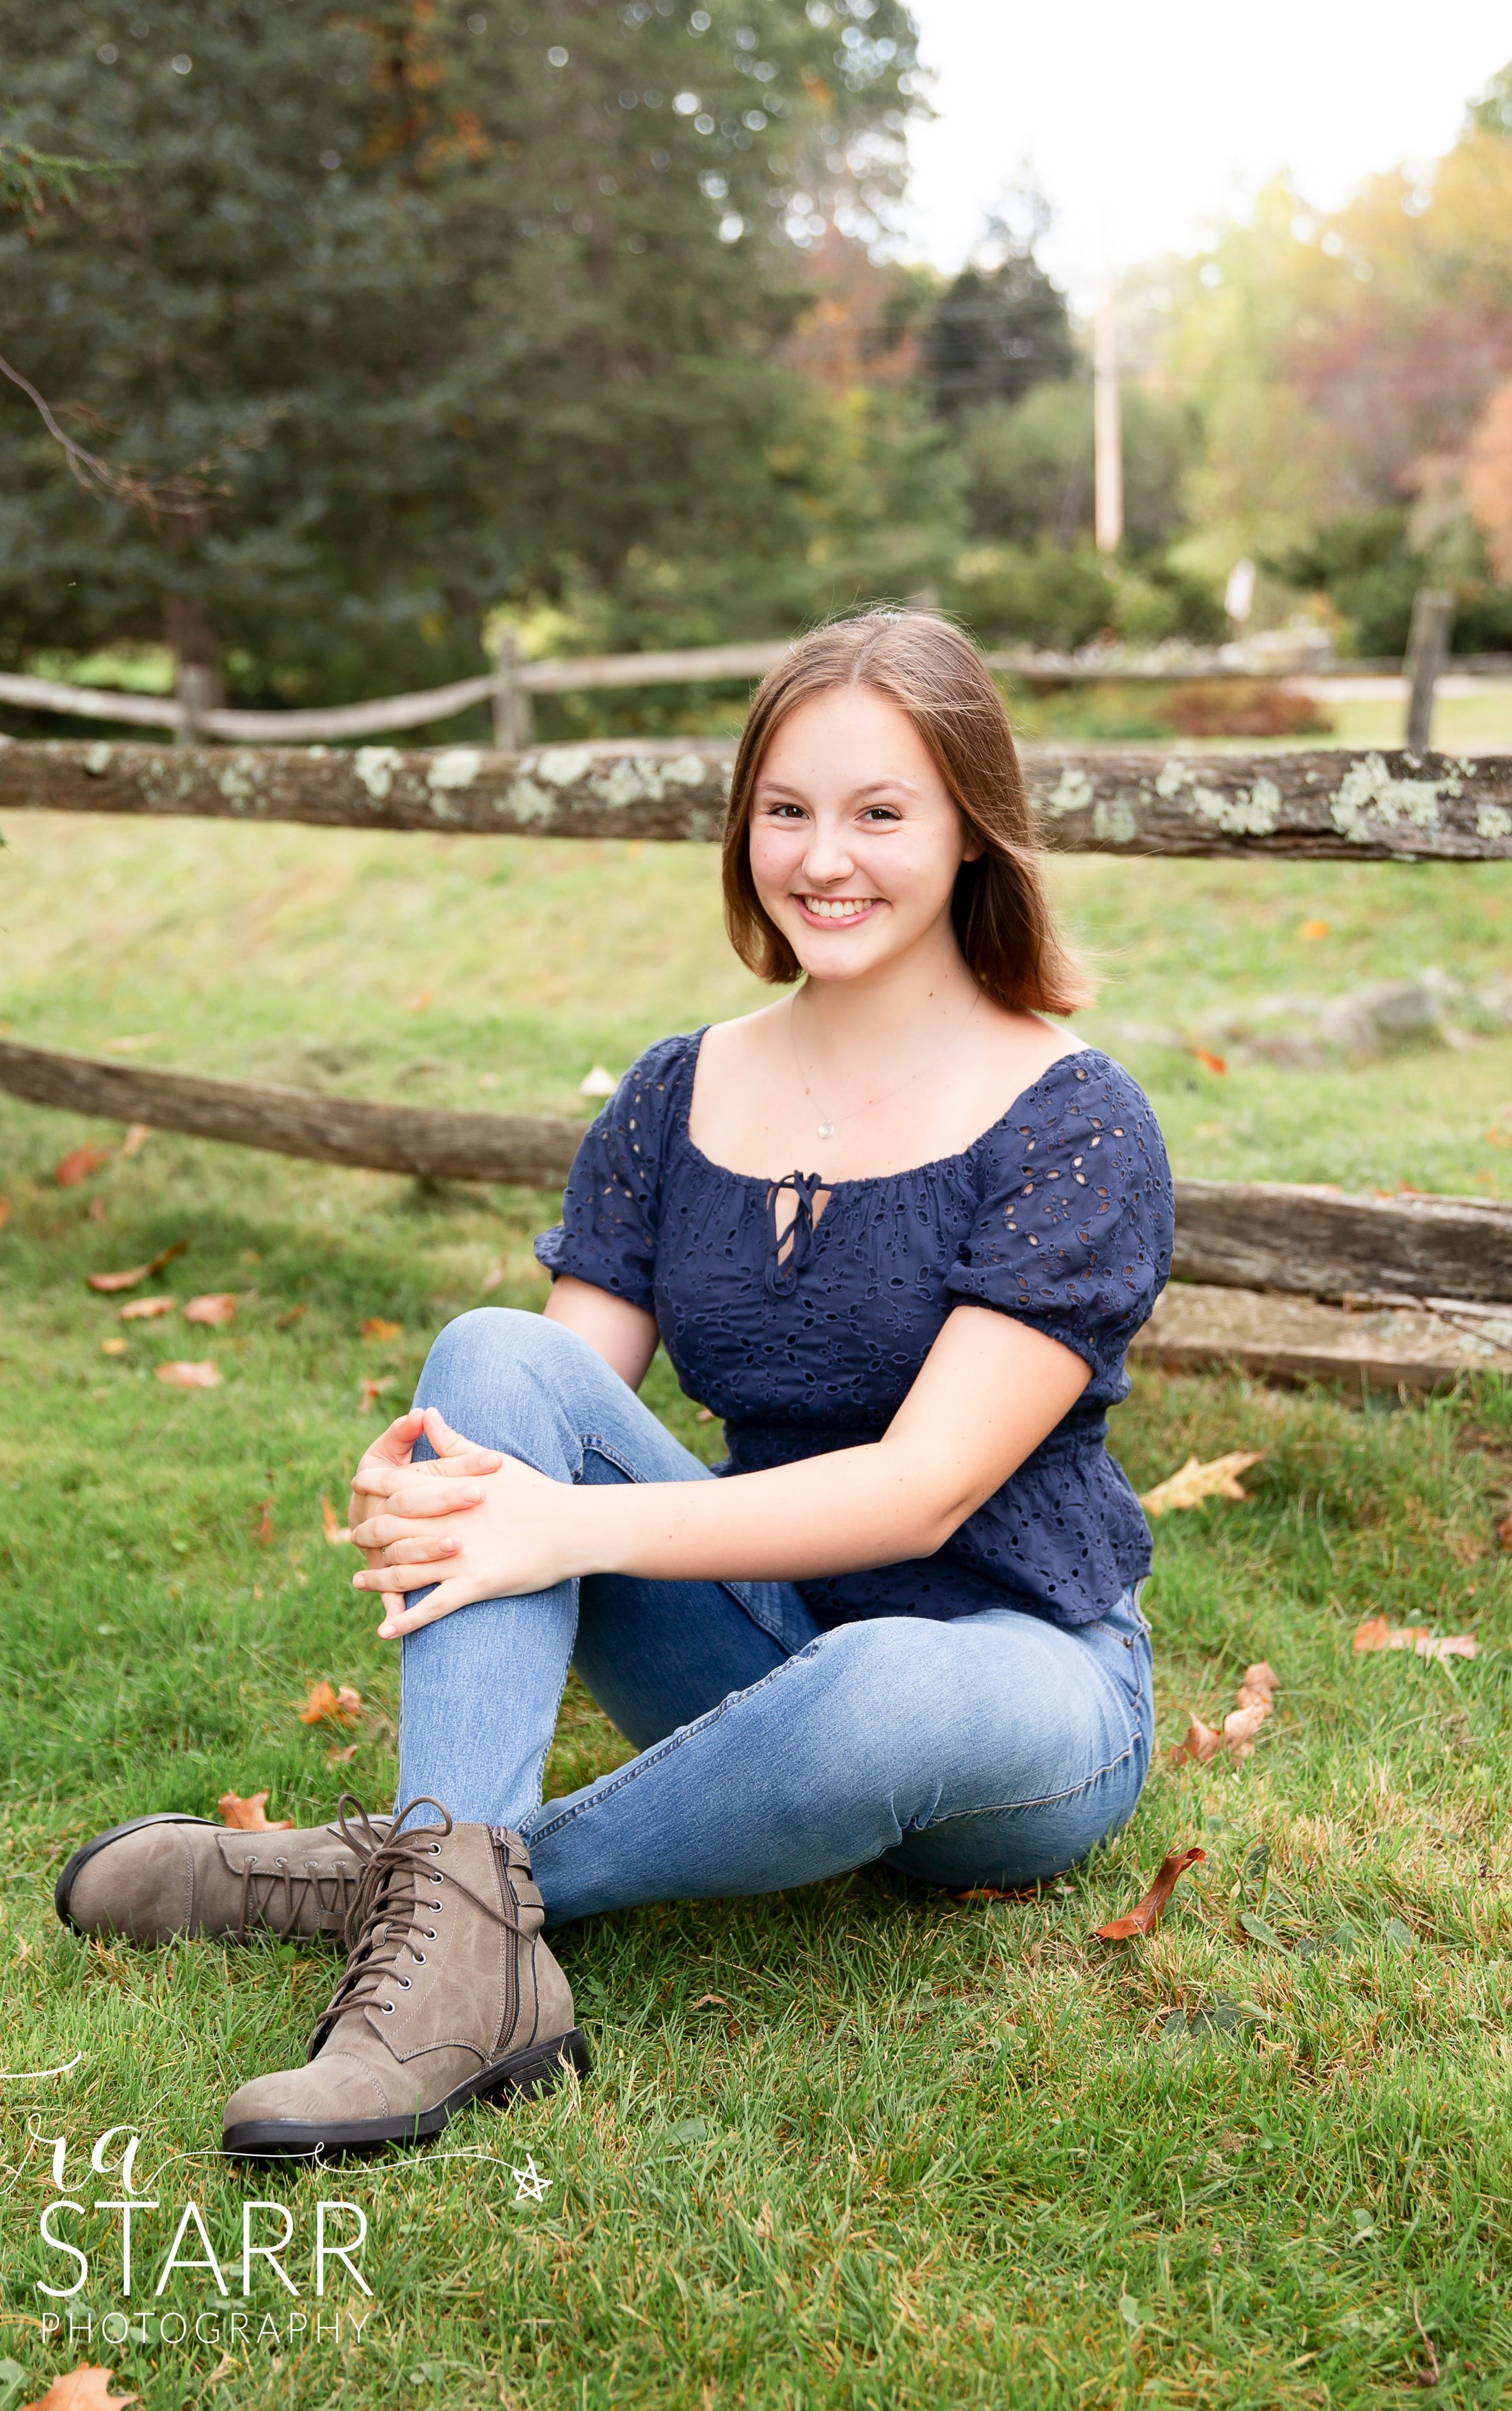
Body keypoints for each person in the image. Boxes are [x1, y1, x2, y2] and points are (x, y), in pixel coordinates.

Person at [57, 611, 1174, 2160]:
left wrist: (558, 1533)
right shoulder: (671, 1092)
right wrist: (446, 1477)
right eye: (785, 810)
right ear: (739, 832)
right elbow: (546, 1402)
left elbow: (932, 1486)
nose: (822, 858)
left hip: (1009, 1687)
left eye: (877, 812)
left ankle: (413, 1885)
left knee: (884, 1682)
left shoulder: (1071, 1123)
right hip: (754, 1632)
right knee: (488, 1353)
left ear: (970, 835)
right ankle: (456, 1969)